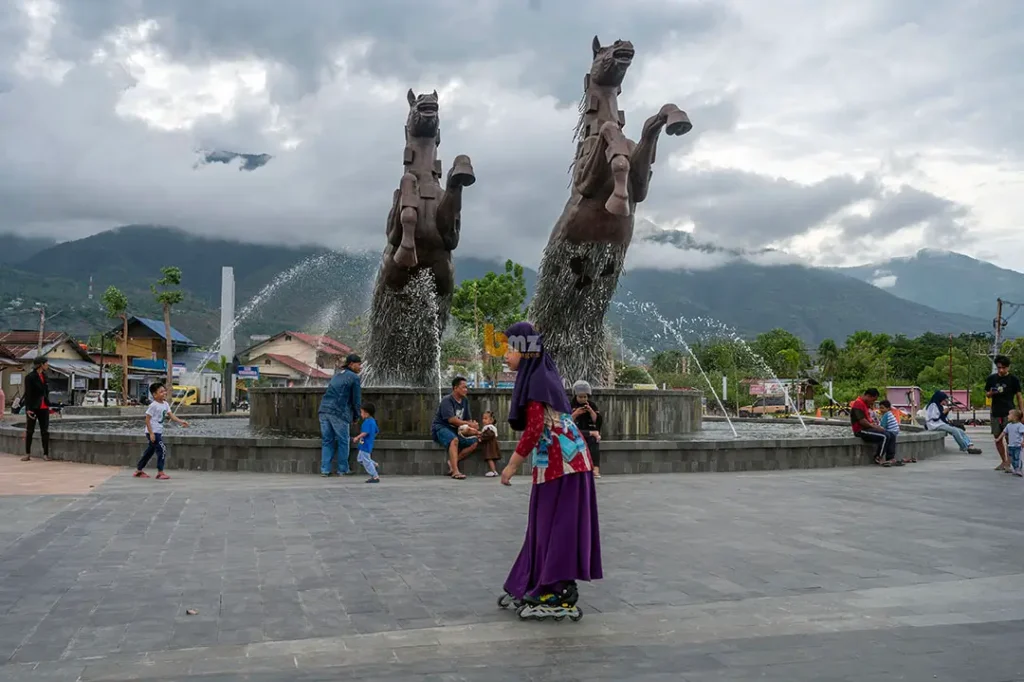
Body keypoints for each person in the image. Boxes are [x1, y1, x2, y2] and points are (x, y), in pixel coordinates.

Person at [498, 321, 601, 622]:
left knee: (556, 526)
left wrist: (511, 466)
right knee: (542, 524)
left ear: (525, 349)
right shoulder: (538, 375)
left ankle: (556, 588)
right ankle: (531, 581)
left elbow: (533, 430)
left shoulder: (538, 380)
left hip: (565, 466)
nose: (505, 354)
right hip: (555, 463)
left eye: (510, 348)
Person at [318, 353, 362, 477]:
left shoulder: (337, 374)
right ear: (351, 364)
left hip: (323, 410)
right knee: (343, 440)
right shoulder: (354, 377)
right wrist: (356, 416)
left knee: (327, 440)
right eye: (359, 364)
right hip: (338, 411)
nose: (360, 367)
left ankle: (325, 470)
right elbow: (356, 400)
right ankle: (343, 469)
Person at [134, 382, 189, 479]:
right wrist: (151, 433)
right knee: (162, 449)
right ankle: (160, 472)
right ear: (154, 395)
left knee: (150, 451)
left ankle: (139, 470)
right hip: (153, 432)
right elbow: (147, 420)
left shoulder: (165, 404)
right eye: (161, 392)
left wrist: (181, 421)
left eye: (164, 391)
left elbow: (171, 416)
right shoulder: (153, 405)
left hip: (158, 431)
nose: (164, 393)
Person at [431, 376, 479, 480]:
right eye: (463, 387)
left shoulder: (465, 401)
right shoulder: (447, 400)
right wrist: (469, 424)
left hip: (456, 430)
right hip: (441, 428)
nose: (466, 390)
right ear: (455, 388)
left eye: (466, 387)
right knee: (454, 440)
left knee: (475, 441)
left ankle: (452, 462)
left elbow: (468, 420)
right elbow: (452, 420)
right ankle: (455, 471)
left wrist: (474, 429)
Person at [985, 355, 1023, 472]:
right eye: (999, 368)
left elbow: (1019, 396)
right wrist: (991, 393)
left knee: (1010, 438)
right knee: (997, 437)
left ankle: (1009, 462)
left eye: (1003, 368)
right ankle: (1003, 460)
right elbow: (987, 394)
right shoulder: (991, 379)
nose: (1001, 370)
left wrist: (1022, 412)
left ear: (1008, 367)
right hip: (995, 412)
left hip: (1010, 412)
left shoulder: (1013, 379)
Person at [850, 388, 900, 466]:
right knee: (885, 436)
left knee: (891, 434)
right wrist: (875, 427)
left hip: (869, 428)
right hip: (861, 430)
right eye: (873, 400)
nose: (872, 402)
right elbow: (862, 421)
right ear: (868, 396)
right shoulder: (858, 404)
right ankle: (878, 457)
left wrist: (875, 426)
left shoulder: (865, 405)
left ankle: (890, 458)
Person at [924, 390, 982, 454]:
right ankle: (965, 447)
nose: (944, 402)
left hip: (940, 424)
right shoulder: (933, 405)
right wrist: (944, 412)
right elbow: (934, 418)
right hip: (934, 425)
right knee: (955, 431)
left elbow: (942, 417)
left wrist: (946, 412)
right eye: (944, 400)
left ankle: (970, 445)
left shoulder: (939, 406)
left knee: (960, 430)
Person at [22, 357, 52, 462]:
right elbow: (28, 394)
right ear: (41, 365)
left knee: (45, 431)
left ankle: (45, 454)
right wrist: (28, 409)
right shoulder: (30, 377)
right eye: (46, 363)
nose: (47, 365)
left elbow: (46, 393)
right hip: (33, 407)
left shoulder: (45, 376)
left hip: (44, 407)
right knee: (30, 431)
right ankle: (27, 454)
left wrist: (50, 405)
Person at [571, 380, 603, 478]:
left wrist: (591, 411)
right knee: (587, 435)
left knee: (593, 440)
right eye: (580, 397)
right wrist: (576, 413)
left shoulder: (591, 405)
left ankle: (595, 469)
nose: (583, 399)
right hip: (575, 431)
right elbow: (565, 422)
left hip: (588, 431)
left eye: (585, 397)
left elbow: (597, 420)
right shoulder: (570, 405)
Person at [352, 403, 380, 483]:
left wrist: (357, 437)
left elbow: (365, 432)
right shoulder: (373, 421)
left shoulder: (367, 422)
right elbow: (376, 431)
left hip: (365, 445)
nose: (361, 414)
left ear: (366, 413)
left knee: (366, 461)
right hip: (365, 444)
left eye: (362, 412)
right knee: (360, 459)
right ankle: (374, 465)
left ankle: (375, 476)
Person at [994, 409, 1024, 477]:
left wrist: (1023, 441)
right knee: (1012, 458)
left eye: (1009, 414)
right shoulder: (1008, 425)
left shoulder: (1020, 426)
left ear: (1015, 417)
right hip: (1010, 445)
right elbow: (1003, 432)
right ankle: (1015, 468)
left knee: (1017, 458)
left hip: (1018, 446)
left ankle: (1018, 469)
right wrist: (998, 439)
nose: (1008, 416)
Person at [476, 410, 502, 477]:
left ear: (491, 420)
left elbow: (488, 435)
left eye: (485, 418)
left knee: (490, 458)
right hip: (491, 446)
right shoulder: (490, 427)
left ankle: (493, 471)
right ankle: (493, 470)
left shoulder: (489, 427)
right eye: (483, 418)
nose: (483, 420)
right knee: (491, 459)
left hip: (490, 446)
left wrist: (481, 438)